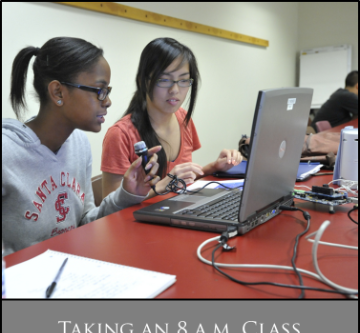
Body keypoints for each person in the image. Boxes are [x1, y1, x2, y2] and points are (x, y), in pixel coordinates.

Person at [2, 37, 161, 255]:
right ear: (58, 92)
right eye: (99, 90)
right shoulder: (7, 151)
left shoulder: (79, 144)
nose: (107, 101)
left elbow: (84, 223)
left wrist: (127, 194)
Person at [101, 37, 242, 198]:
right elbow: (110, 209)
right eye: (164, 80)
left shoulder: (182, 117)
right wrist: (162, 185)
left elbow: (184, 181)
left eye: (183, 80)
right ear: (143, 81)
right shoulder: (120, 135)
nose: (175, 89)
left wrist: (214, 168)